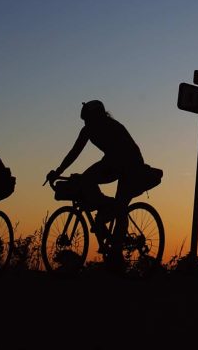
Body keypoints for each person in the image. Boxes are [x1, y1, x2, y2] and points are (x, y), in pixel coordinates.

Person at [47, 100, 147, 269]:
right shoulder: (88, 130)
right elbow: (74, 152)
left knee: (120, 206)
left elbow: (118, 156)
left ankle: (116, 252)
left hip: (131, 164)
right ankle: (106, 209)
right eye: (85, 120)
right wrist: (58, 171)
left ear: (98, 116)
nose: (86, 123)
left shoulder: (112, 126)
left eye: (88, 119)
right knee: (88, 181)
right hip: (113, 161)